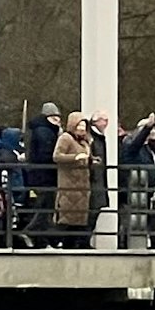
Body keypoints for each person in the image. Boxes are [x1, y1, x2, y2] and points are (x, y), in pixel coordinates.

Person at [52, 113, 94, 248]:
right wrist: (75, 157)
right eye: (79, 125)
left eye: (84, 126)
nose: (82, 128)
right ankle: (56, 242)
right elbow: (57, 156)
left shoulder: (84, 141)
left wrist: (92, 160)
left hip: (82, 187)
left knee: (78, 220)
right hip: (69, 185)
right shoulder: (66, 138)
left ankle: (73, 245)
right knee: (67, 218)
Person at [119, 115, 155, 249]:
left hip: (147, 191)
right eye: (149, 130)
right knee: (130, 221)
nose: (152, 132)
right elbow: (136, 144)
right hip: (132, 192)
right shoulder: (130, 145)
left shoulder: (147, 149)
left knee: (150, 220)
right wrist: (147, 127)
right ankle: (124, 245)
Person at [22, 102, 60, 247]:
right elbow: (47, 154)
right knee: (45, 206)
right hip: (45, 176)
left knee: (44, 205)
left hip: (38, 175)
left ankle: (42, 240)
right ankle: (31, 231)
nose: (57, 119)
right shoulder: (45, 131)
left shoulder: (38, 130)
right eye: (54, 116)